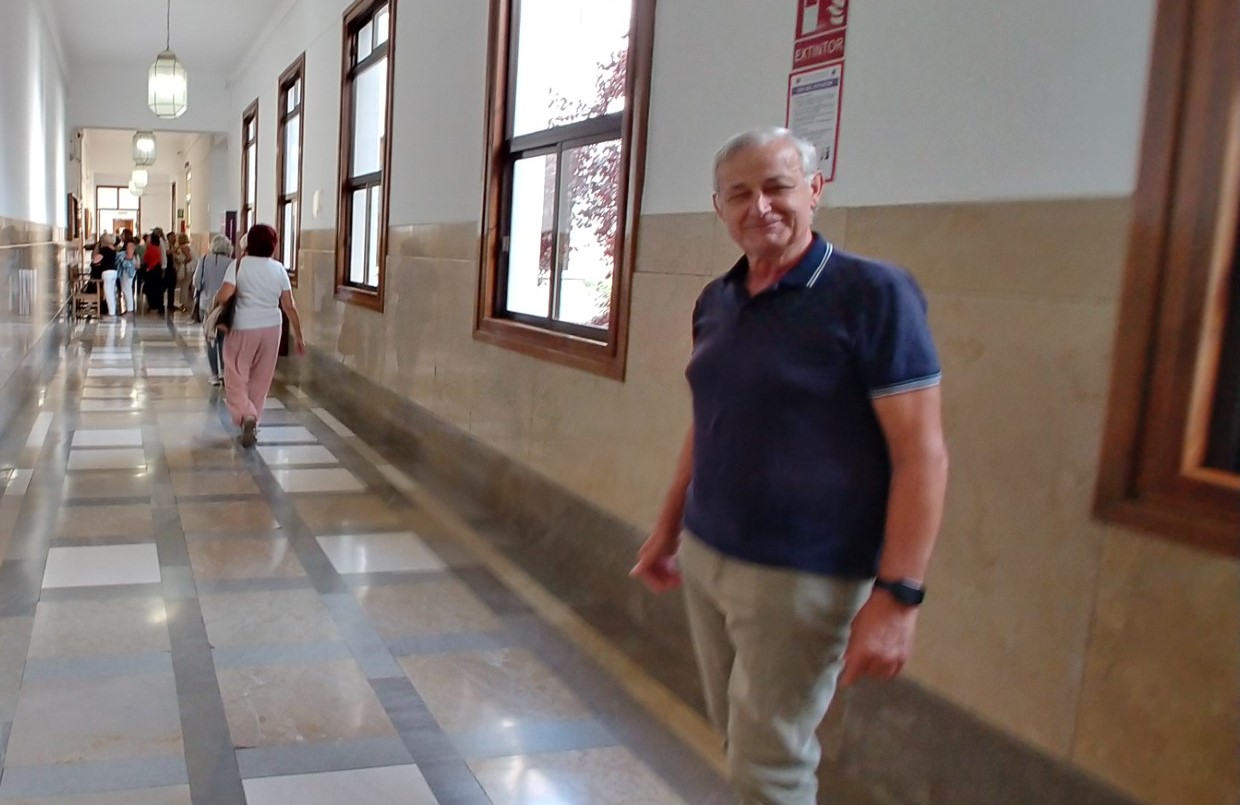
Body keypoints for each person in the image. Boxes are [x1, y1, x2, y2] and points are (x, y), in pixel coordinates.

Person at [631, 127, 949, 805]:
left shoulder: (873, 293)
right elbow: (709, 423)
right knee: (742, 740)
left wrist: (900, 597)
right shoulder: (717, 300)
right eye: (738, 194)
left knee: (769, 762)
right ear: (718, 207)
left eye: (777, 186)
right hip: (710, 555)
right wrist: (668, 528)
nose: (760, 206)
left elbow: (920, 453)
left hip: (803, 573)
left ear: (814, 189)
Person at [215, 224, 305, 448]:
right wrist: (299, 335)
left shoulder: (239, 265)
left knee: (235, 375)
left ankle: (247, 414)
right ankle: (253, 420)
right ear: (273, 245)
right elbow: (289, 305)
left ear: (249, 243)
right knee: (261, 379)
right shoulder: (279, 269)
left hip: (243, 326)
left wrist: (224, 296)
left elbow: (224, 296)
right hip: (272, 328)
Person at [194, 234, 235, 385]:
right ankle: (224, 371)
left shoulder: (204, 260)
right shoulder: (232, 263)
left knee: (210, 338)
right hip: (225, 305)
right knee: (224, 338)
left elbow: (196, 282)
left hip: (206, 305)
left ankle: (214, 375)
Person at [92, 233, 118, 317]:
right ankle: (112, 311)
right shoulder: (113, 249)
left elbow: (95, 260)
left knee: (108, 293)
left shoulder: (104, 249)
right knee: (112, 292)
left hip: (107, 273)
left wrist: (96, 258)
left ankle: (111, 313)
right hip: (114, 272)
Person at [115, 237, 140, 315]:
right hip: (124, 273)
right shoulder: (125, 253)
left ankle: (130, 310)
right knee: (125, 290)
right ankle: (128, 309)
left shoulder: (132, 255)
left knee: (127, 290)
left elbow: (130, 258)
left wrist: (124, 258)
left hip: (128, 273)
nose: (128, 248)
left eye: (129, 247)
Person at [142, 232, 165, 314]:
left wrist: (148, 269)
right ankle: (155, 305)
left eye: (149, 238)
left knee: (153, 288)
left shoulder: (152, 248)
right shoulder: (152, 247)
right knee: (154, 288)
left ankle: (154, 306)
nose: (147, 239)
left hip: (153, 270)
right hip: (154, 269)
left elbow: (154, 260)